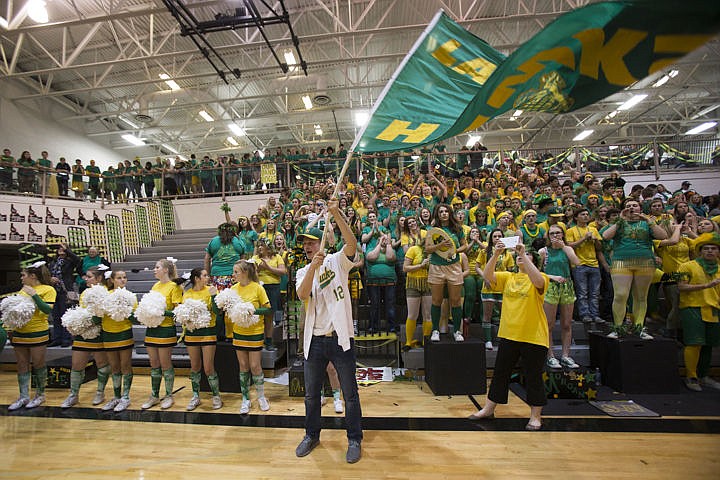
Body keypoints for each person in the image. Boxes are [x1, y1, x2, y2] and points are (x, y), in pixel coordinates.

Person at [294, 197, 363, 464]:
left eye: (312, 241)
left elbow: (352, 244)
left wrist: (336, 214)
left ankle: (354, 438)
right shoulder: (303, 271)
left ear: (322, 242)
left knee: (350, 393)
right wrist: (313, 267)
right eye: (305, 243)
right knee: (311, 394)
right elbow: (302, 295)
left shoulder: (337, 262)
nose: (309, 246)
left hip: (340, 338)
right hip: (315, 341)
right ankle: (312, 435)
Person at [468, 242, 549, 431]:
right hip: (509, 334)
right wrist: (495, 254)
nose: (521, 255)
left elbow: (538, 281)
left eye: (527, 254)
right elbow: (487, 277)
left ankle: (536, 416)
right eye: (520, 253)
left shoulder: (541, 276)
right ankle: (489, 409)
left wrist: (524, 255)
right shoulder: (509, 277)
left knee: (533, 376)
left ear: (534, 261)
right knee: (500, 374)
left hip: (533, 336)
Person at [602, 199, 669, 339]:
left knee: (641, 296)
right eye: (628, 206)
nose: (631, 208)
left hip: (644, 262)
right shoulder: (619, 223)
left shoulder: (647, 222)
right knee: (620, 295)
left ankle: (639, 328)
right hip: (621, 261)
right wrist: (620, 219)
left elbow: (663, 236)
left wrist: (649, 221)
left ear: (640, 208)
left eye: (634, 205)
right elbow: (605, 236)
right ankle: (618, 327)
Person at [7, 262, 56, 410]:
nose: (21, 278)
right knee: (21, 364)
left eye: (23, 275)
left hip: (37, 332)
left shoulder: (48, 289)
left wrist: (34, 295)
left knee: (38, 364)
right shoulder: (23, 290)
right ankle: (23, 396)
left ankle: (40, 395)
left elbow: (46, 310)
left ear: (33, 276)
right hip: (19, 332)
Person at [60, 268, 111, 409]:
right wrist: (76, 325)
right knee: (77, 365)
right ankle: (73, 395)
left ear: (99, 278)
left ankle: (100, 392)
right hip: (83, 334)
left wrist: (87, 324)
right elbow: (83, 312)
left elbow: (102, 314)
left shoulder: (105, 292)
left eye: (89, 277)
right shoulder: (84, 293)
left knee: (102, 364)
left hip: (98, 333)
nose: (85, 279)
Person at [677, 233, 720, 391]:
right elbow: (681, 287)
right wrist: (706, 286)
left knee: (709, 345)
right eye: (706, 248)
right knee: (695, 343)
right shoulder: (686, 266)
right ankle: (691, 376)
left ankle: (703, 376)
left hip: (714, 309)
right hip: (692, 307)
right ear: (700, 251)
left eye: (713, 248)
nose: (709, 251)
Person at [229, 260, 272, 414]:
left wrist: (252, 311)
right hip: (238, 333)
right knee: (243, 367)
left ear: (245, 272)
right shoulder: (233, 289)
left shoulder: (258, 288)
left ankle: (261, 396)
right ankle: (245, 398)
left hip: (254, 333)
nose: (233, 275)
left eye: (236, 272)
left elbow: (268, 310)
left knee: (255, 366)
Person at [141, 259, 183, 410]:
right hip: (152, 329)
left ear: (166, 270)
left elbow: (178, 312)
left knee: (165, 364)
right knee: (154, 364)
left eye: (157, 267)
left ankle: (169, 395)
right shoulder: (155, 286)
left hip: (166, 329)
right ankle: (154, 395)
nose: (154, 269)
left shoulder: (175, 287)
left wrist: (162, 312)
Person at [538, 226, 581, 368]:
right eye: (552, 233)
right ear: (548, 236)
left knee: (567, 324)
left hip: (567, 286)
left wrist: (564, 247)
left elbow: (577, 263)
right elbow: (536, 273)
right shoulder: (543, 252)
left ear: (563, 234)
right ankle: (550, 356)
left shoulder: (567, 249)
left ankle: (565, 356)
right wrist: (552, 277)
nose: (555, 235)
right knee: (549, 324)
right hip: (550, 287)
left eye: (558, 232)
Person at [425, 203, 468, 342]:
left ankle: (457, 331)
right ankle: (435, 330)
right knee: (436, 300)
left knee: (455, 300)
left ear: (450, 213)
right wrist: (440, 246)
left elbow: (465, 245)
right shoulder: (432, 230)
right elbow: (428, 249)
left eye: (446, 211)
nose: (444, 213)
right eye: (441, 211)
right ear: (437, 214)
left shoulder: (457, 228)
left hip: (454, 266)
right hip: (436, 266)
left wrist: (454, 251)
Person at [182, 268, 223, 411]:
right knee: (194, 367)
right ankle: (195, 396)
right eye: (205, 275)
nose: (208, 277)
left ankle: (216, 396)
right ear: (196, 278)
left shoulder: (211, 290)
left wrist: (213, 297)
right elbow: (184, 315)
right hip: (192, 334)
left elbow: (218, 312)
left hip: (208, 333)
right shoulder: (187, 294)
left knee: (208, 367)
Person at [101, 269, 136, 412]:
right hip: (108, 334)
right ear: (112, 280)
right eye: (119, 278)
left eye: (125, 277)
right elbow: (97, 317)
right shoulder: (105, 295)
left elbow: (135, 318)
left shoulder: (131, 296)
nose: (122, 280)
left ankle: (126, 397)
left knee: (125, 365)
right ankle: (116, 396)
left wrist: (126, 309)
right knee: (114, 367)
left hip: (124, 333)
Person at [204, 222, 244, 340]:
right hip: (233, 278)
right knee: (232, 305)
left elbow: (207, 259)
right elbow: (243, 260)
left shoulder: (214, 241)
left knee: (219, 307)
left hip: (217, 278)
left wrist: (208, 275)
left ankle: (219, 334)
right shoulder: (238, 241)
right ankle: (232, 334)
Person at [566, 208, 603, 324]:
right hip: (579, 265)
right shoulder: (571, 230)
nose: (586, 216)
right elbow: (570, 246)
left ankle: (595, 315)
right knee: (582, 292)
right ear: (576, 217)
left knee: (595, 292)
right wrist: (584, 238)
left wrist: (596, 240)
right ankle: (585, 314)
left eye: (587, 214)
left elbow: (599, 248)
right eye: (582, 214)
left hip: (594, 264)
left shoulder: (593, 229)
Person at [252, 238, 287, 351]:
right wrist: (257, 270)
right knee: (258, 316)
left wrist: (268, 268)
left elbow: (283, 272)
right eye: (259, 246)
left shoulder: (277, 257)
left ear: (268, 247)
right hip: (259, 288)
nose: (260, 248)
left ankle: (269, 341)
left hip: (273, 288)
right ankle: (258, 340)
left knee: (269, 316)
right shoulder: (255, 258)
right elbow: (250, 273)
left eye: (262, 245)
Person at [48, 243, 80, 347]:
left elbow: (77, 260)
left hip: (65, 291)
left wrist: (67, 250)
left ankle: (66, 339)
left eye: (63, 249)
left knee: (64, 315)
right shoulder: (53, 262)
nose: (61, 250)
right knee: (56, 316)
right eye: (59, 249)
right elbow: (48, 274)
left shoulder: (70, 261)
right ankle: (57, 338)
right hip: (54, 291)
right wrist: (51, 279)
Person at [402, 237, 431, 350]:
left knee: (427, 315)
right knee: (412, 314)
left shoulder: (434, 253)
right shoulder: (413, 249)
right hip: (413, 283)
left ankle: (426, 341)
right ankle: (409, 342)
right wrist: (420, 265)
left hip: (428, 283)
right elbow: (405, 268)